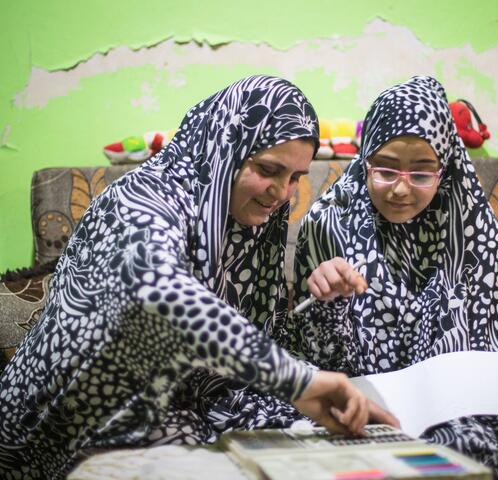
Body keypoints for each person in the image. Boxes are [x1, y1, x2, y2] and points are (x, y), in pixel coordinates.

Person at [0, 75, 396, 480]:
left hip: (177, 407)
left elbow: (257, 344)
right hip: (64, 433)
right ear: (226, 151)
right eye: (267, 169)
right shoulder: (141, 200)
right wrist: (299, 381)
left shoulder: (246, 225)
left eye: (295, 177)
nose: (282, 193)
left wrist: (324, 309)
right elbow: (161, 294)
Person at [281, 76, 498, 479]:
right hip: (363, 402)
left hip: (462, 414)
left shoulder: (471, 231)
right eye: (385, 170)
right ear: (365, 159)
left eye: (421, 174)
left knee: (465, 443)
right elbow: (313, 360)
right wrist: (327, 303)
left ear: (445, 169)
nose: (401, 190)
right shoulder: (328, 224)